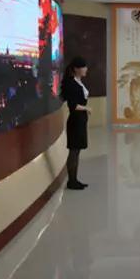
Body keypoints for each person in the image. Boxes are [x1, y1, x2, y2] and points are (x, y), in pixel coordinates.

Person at [60, 57, 91, 190]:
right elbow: (72, 105)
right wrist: (86, 108)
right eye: (83, 67)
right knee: (74, 150)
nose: (86, 69)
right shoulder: (71, 84)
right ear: (76, 69)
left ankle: (74, 179)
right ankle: (71, 181)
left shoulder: (78, 82)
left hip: (81, 119)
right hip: (75, 120)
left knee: (77, 151)